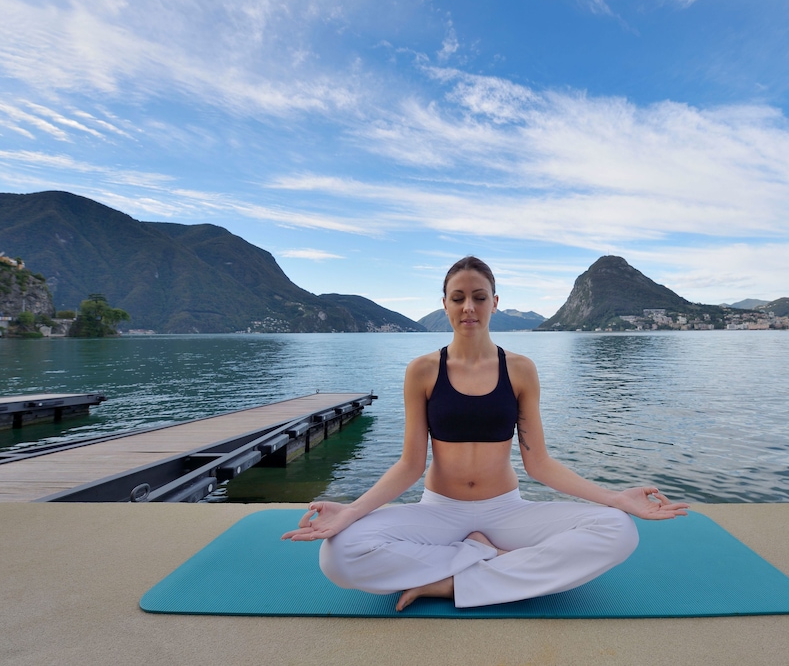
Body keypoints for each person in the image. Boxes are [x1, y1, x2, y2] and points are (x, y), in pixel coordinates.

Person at [282, 256, 689, 610]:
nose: (468, 307)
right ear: (444, 304)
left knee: (619, 529)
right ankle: (487, 558)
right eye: (458, 298)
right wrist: (352, 511)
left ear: (494, 302)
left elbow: (539, 463)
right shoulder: (422, 371)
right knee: (337, 555)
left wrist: (614, 498)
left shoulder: (520, 369)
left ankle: (449, 583)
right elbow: (410, 465)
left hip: (505, 510)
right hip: (439, 510)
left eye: (479, 297)